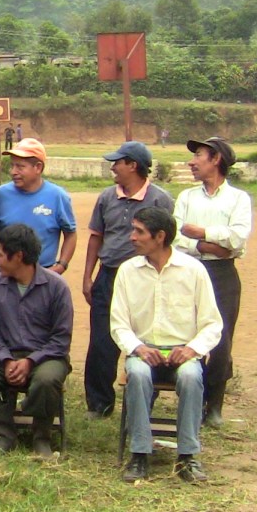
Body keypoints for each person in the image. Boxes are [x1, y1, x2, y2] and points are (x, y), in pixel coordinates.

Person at [112, 207, 223, 483]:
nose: (132, 237)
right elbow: (118, 324)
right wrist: (138, 348)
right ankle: (139, 454)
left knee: (190, 376)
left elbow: (212, 323)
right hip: (143, 349)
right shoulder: (128, 271)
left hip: (183, 351)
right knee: (136, 374)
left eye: (139, 231)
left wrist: (192, 350)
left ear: (160, 237)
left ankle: (188, 456)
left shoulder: (193, 270)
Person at [0, 224, 73, 457]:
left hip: (47, 358)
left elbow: (61, 339)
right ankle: (5, 432)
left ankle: (41, 436)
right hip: (7, 357)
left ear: (19, 256)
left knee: (46, 379)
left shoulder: (56, 287)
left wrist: (30, 361)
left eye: (0, 254)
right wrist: (6, 360)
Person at [81, 142, 173, 418]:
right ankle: (99, 403)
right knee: (101, 341)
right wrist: (88, 276)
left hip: (143, 278)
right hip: (109, 275)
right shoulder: (107, 197)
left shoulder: (160, 200)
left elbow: (166, 243)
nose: (113, 167)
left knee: (146, 336)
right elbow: (96, 236)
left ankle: (144, 399)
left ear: (133, 165)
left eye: (117, 162)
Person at [173, 136, 252, 428]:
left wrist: (201, 231)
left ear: (216, 159)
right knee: (186, 332)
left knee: (221, 337)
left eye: (199, 156)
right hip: (189, 270)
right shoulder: (186, 197)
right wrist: (208, 245)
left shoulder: (238, 199)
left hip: (222, 274)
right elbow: (178, 237)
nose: (192, 162)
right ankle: (189, 398)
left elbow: (238, 238)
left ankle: (214, 404)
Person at [0, 138, 77, 272]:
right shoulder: (0, 195)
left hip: (43, 273)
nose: (13, 172)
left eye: (20, 167)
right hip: (4, 274)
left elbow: (70, 234)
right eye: (12, 165)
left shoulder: (58, 197)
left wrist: (61, 265)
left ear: (38, 167)